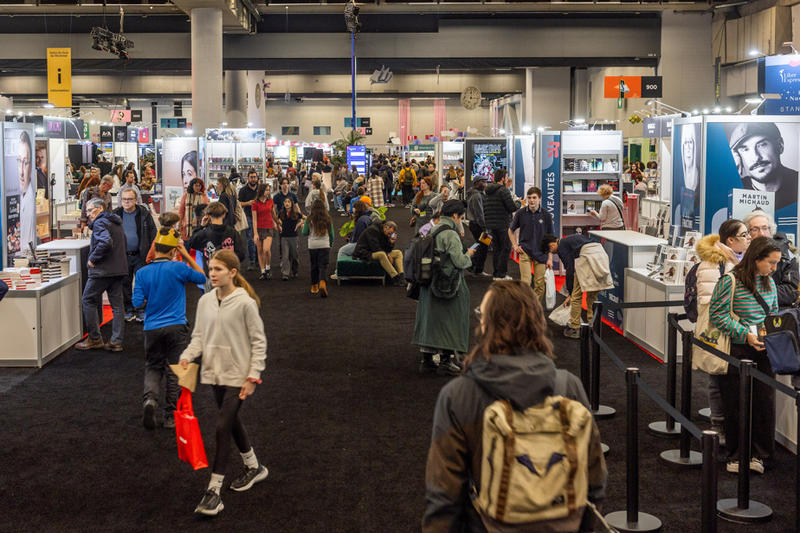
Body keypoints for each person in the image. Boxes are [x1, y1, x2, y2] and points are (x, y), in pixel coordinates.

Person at [422, 280, 607, 532]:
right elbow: (594, 478)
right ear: (537, 322)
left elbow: (444, 495)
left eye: (481, 314)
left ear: (487, 325)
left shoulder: (459, 396)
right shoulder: (568, 386)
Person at [179, 250, 268, 516]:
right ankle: (254, 466)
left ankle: (213, 491)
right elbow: (199, 336)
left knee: (221, 427)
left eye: (218, 269)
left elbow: (258, 342)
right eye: (210, 269)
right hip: (214, 373)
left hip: (239, 375)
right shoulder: (205, 301)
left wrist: (253, 376)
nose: (212, 274)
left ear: (232, 272)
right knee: (230, 421)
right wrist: (188, 355)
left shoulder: (245, 304)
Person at [709, 236, 780, 474]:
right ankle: (736, 455)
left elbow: (773, 314)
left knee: (764, 403)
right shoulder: (730, 281)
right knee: (735, 404)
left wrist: (768, 334)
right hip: (737, 349)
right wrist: (745, 334)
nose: (774, 268)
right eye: (771, 262)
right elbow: (717, 315)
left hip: (764, 349)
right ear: (756, 259)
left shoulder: (770, 283)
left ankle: (761, 455)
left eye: (777, 263)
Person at [133, 228, 206, 429]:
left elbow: (137, 302)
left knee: (153, 366)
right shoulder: (178, 268)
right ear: (174, 250)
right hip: (176, 326)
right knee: (175, 370)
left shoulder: (142, 273)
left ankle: (150, 400)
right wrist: (186, 256)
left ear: (155, 248)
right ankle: (171, 416)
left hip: (152, 327)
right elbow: (203, 278)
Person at [693, 219, 750, 442]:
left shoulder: (740, 259)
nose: (749, 237)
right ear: (730, 240)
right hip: (720, 329)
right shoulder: (713, 263)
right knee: (716, 376)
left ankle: (733, 425)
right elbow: (710, 303)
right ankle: (718, 424)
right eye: (744, 234)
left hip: (738, 329)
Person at [412, 200, 474, 376]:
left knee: (430, 321)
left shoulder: (432, 229)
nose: (460, 221)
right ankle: (447, 360)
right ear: (455, 215)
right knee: (451, 320)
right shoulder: (451, 234)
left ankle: (427, 361)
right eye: (461, 217)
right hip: (448, 285)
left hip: (429, 281)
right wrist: (468, 255)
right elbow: (459, 262)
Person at [74, 197, 128, 352]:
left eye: (90, 210)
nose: (88, 214)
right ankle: (116, 341)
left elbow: (105, 242)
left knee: (88, 300)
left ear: (100, 209)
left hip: (102, 270)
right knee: (117, 305)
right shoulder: (116, 222)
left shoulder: (100, 223)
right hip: (118, 269)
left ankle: (94, 338)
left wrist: (92, 259)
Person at [543, 233, 613, 339]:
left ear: (553, 244)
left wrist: (570, 294)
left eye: (550, 248)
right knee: (592, 297)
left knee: (576, 297)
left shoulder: (562, 246)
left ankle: (575, 328)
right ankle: (593, 326)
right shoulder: (571, 240)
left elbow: (570, 270)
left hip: (588, 258)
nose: (552, 251)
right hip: (601, 255)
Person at [728, 122, 799, 210]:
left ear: (780, 145)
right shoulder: (733, 189)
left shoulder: (797, 182)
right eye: (745, 149)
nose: (756, 157)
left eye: (762, 145)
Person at [113, 188, 157, 322]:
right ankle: (128, 310)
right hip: (122, 256)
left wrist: (152, 253)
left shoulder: (144, 214)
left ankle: (141, 310)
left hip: (140, 255)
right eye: (124, 199)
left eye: (129, 199)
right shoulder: (115, 214)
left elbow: (153, 233)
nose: (126, 202)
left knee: (141, 284)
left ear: (136, 200)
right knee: (124, 284)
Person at [742, 209, 800, 308]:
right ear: (747, 233)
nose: (761, 233)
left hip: (777, 312)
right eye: (755, 229)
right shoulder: (739, 253)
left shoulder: (786, 255)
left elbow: (791, 291)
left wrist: (758, 294)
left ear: (771, 231)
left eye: (765, 228)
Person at [509, 186, 554, 300]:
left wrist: (550, 258)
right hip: (525, 251)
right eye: (529, 198)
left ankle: (535, 307)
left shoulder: (546, 215)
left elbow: (551, 239)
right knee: (525, 283)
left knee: (539, 285)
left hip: (541, 253)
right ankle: (526, 306)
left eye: (534, 198)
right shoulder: (520, 213)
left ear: (540, 199)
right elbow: (510, 230)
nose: (531, 200)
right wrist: (515, 246)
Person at [187, 201, 247, 280]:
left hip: (211, 274)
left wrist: (201, 226)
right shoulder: (233, 232)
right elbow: (241, 254)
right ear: (224, 214)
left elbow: (191, 243)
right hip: (228, 273)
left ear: (208, 215)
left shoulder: (204, 233)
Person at [483, 168, 520, 280]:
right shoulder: (503, 190)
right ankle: (501, 274)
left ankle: (496, 274)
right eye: (506, 177)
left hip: (491, 225)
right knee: (506, 248)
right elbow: (512, 207)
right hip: (503, 224)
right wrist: (519, 202)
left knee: (497, 249)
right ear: (503, 178)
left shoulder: (488, 191)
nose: (507, 179)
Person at [352, 219, 405, 285]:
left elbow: (387, 249)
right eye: (389, 233)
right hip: (363, 253)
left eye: (391, 234)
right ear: (385, 227)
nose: (389, 235)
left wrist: (391, 242)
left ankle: (401, 276)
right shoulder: (372, 230)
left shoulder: (385, 232)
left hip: (375, 251)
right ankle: (395, 277)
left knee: (398, 253)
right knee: (382, 254)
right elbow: (375, 248)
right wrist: (387, 255)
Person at [302, 199, 335, 297]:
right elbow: (331, 234)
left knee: (314, 266)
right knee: (323, 266)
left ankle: (314, 286)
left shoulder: (309, 218)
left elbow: (305, 232)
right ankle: (322, 283)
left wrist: (303, 227)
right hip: (324, 245)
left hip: (313, 245)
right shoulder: (327, 218)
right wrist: (331, 243)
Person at [466, 177, 490, 276]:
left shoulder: (475, 194)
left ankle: (473, 266)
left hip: (476, 224)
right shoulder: (476, 196)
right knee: (483, 246)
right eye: (483, 182)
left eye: (486, 182)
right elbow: (479, 213)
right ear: (476, 183)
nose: (485, 184)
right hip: (478, 225)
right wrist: (484, 228)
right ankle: (475, 267)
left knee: (480, 245)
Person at [252, 183, 276, 280]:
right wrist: (255, 233)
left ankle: (268, 267)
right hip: (258, 228)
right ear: (261, 191)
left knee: (266, 249)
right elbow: (254, 220)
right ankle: (263, 271)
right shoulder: (255, 203)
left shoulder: (270, 201)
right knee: (260, 251)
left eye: (269, 190)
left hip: (269, 228)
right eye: (266, 190)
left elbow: (273, 214)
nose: (268, 192)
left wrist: (278, 224)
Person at [238, 169, 261, 270]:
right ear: (248, 178)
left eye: (254, 177)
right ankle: (252, 261)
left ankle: (259, 260)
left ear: (257, 178)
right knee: (250, 240)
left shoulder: (261, 189)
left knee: (260, 239)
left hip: (260, 217)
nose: (253, 179)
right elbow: (239, 204)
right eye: (251, 177)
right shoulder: (243, 190)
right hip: (249, 216)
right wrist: (248, 203)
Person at [277, 196, 304, 281]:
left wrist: (298, 225)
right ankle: (285, 273)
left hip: (293, 237)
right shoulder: (281, 213)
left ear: (292, 203)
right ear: (283, 204)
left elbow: (303, 219)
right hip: (284, 237)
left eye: (288, 202)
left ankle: (295, 271)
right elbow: (277, 220)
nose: (287, 203)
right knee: (285, 256)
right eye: (285, 202)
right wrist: (279, 226)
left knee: (294, 255)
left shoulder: (296, 213)